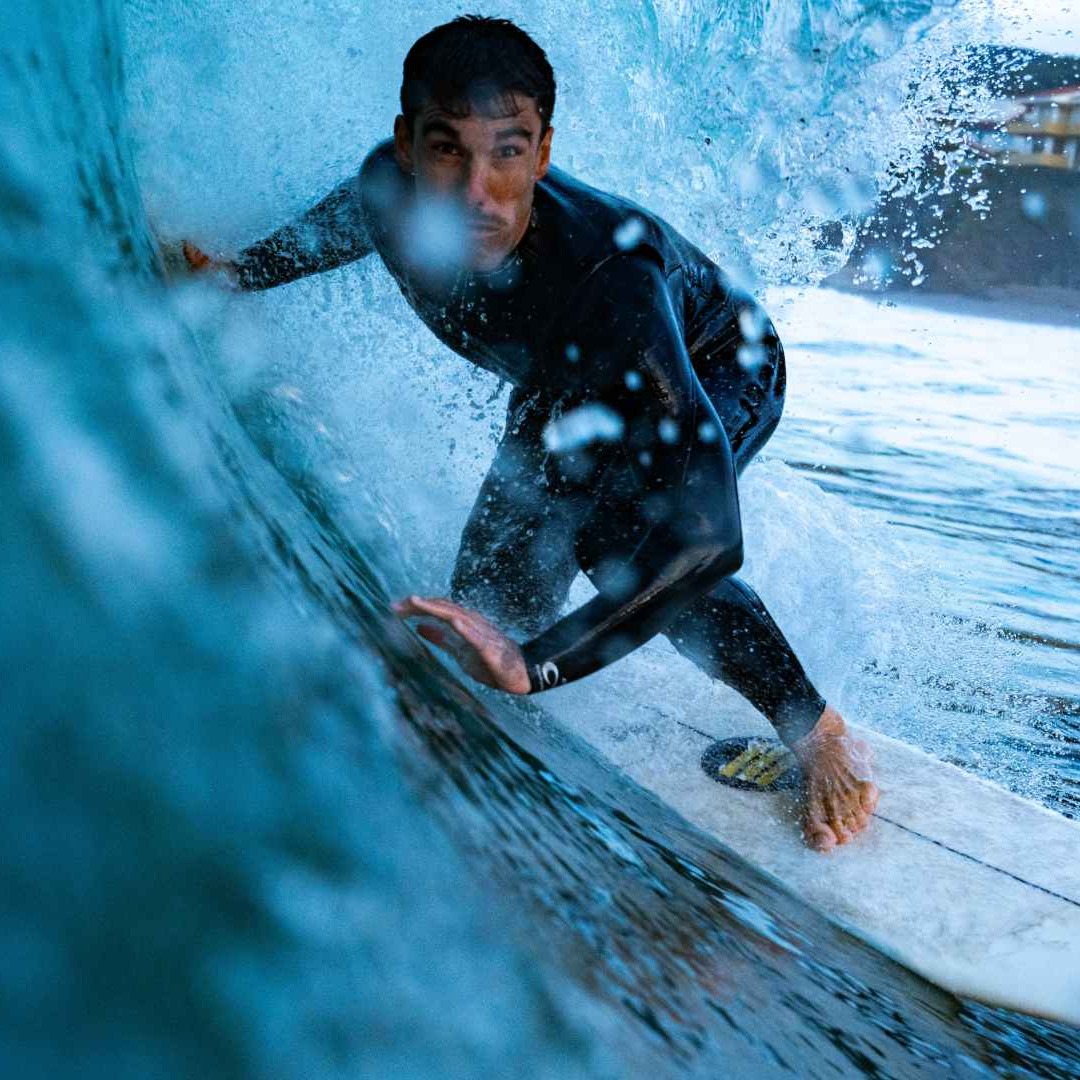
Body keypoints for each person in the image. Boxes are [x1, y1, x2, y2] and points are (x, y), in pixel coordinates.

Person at [182, 15, 878, 851]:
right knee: (492, 598)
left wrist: (535, 666)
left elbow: (709, 536)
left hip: (717, 359)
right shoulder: (386, 191)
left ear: (543, 154)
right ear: (406, 146)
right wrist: (236, 275)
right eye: (448, 151)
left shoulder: (608, 286)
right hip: (572, 375)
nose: (477, 191)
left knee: (623, 531)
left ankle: (817, 727)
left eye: (507, 154)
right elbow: (344, 222)